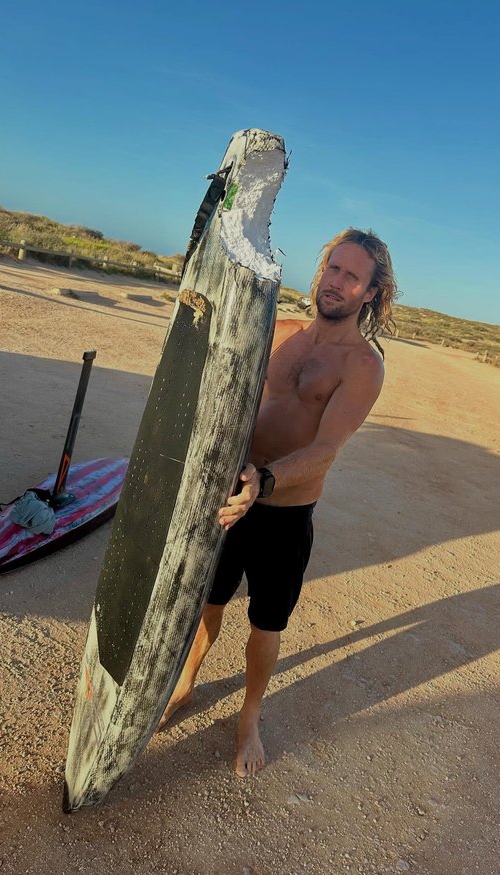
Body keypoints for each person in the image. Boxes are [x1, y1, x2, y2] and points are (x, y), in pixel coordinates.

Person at [159, 228, 398, 776]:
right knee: (209, 603)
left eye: (351, 276)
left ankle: (249, 717)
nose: (336, 282)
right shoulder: (279, 333)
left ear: (370, 293)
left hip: (283, 514)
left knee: (266, 625)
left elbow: (326, 449)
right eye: (332, 268)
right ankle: (187, 683)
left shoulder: (363, 366)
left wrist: (263, 483)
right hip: (228, 498)